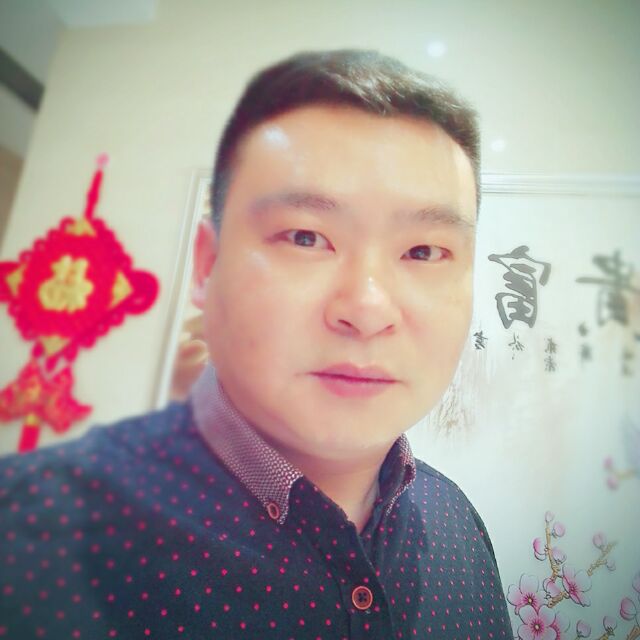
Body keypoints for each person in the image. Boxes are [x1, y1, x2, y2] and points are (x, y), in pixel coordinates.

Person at [0, 50, 513, 639]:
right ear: (207, 265)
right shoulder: (33, 536)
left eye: (423, 251)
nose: (368, 310)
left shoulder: (458, 524)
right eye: (305, 237)